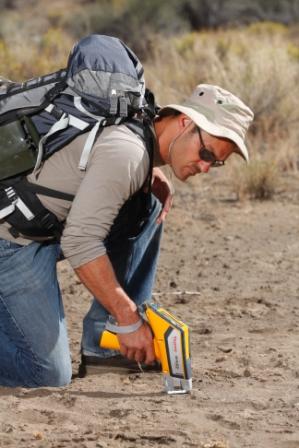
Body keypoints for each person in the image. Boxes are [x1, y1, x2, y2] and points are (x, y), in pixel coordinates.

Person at [0, 83, 253, 387]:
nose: (205, 167)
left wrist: (147, 177)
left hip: (43, 225)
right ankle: (122, 327)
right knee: (46, 374)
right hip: (12, 240)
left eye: (216, 162)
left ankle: (105, 344)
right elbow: (80, 242)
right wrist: (129, 316)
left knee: (147, 206)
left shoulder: (138, 124)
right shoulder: (129, 153)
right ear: (185, 123)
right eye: (206, 153)